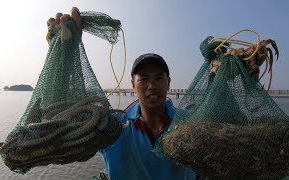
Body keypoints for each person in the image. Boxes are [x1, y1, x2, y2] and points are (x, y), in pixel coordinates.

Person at [47, 7, 223, 180]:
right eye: (144, 79)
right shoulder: (113, 127)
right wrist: (65, 57)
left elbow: (218, 112)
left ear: (169, 83)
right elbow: (64, 124)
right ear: (133, 85)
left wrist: (221, 72)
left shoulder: (190, 123)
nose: (152, 85)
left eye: (159, 78)